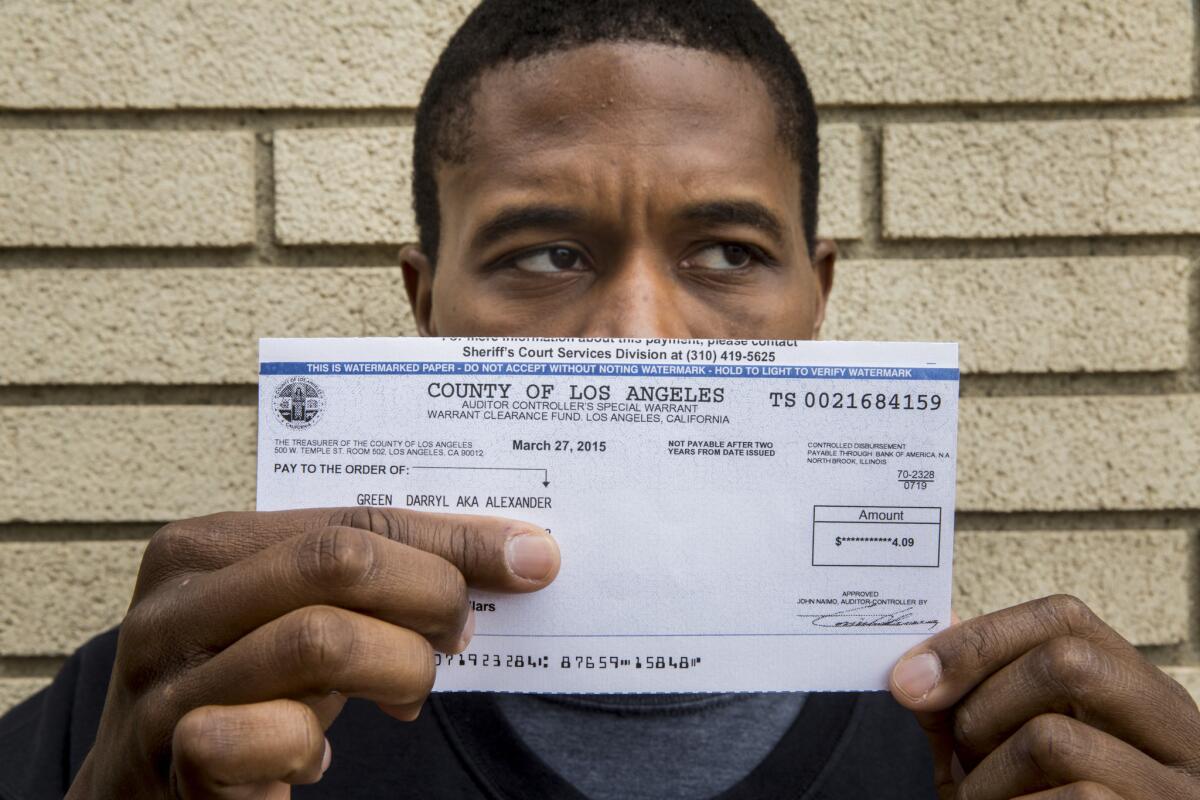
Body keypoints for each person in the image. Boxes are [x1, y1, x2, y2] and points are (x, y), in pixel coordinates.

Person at [3, 1, 1199, 798]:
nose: (640, 335)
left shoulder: (1018, 754)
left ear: (816, 299)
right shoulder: (178, 706)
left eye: (727, 251)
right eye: (543, 253)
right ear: (425, 304)